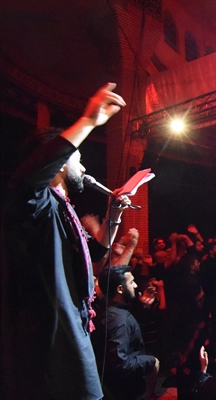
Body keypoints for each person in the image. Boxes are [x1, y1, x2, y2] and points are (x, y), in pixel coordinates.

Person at [0, 83, 127, 399]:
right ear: (57, 161)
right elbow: (26, 178)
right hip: (50, 342)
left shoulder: (62, 209)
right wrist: (88, 120)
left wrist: (113, 214)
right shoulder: (36, 204)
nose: (82, 168)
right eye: (76, 158)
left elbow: (95, 251)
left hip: (73, 330)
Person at [92, 266, 160, 400]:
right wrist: (150, 361)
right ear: (120, 289)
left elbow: (130, 333)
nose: (135, 285)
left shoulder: (112, 311)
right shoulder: (117, 320)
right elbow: (119, 364)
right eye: (131, 282)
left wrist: (143, 307)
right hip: (125, 392)